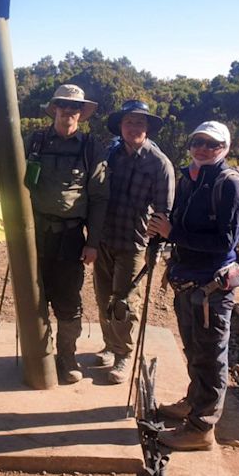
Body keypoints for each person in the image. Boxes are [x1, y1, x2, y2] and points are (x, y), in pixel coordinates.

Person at [148, 121, 239, 451]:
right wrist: (165, 229)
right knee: (194, 351)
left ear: (225, 148)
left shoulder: (229, 184)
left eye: (212, 144)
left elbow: (224, 242)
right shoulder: (190, 178)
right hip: (187, 280)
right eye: (198, 141)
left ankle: (202, 428)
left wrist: (172, 233)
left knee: (210, 356)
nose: (203, 148)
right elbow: (178, 224)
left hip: (213, 287)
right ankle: (194, 402)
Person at [25, 84, 109, 383]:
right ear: (54, 108)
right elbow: (16, 184)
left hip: (71, 237)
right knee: (33, 298)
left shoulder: (90, 148)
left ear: (81, 114)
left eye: (75, 107)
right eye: (63, 105)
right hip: (35, 236)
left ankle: (67, 356)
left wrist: (93, 242)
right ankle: (39, 355)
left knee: (69, 302)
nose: (68, 112)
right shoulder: (34, 141)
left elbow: (99, 198)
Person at [93, 100, 175, 384]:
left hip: (135, 242)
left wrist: (158, 248)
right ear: (121, 126)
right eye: (129, 122)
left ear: (148, 127)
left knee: (124, 303)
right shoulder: (111, 154)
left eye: (140, 123)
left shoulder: (159, 163)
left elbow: (164, 210)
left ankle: (124, 354)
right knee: (104, 297)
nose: (134, 128)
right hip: (105, 238)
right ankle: (109, 344)